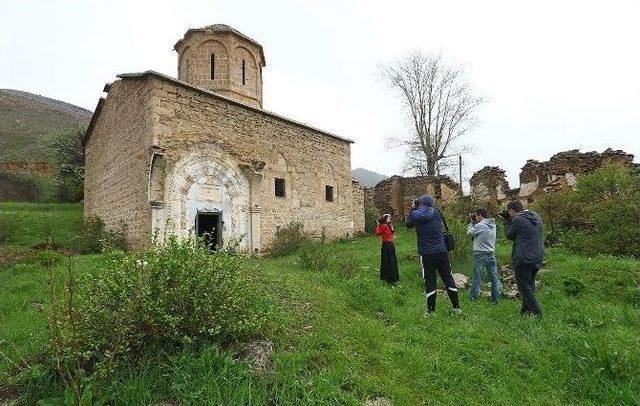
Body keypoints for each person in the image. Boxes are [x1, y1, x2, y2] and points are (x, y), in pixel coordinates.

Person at [406, 194, 461, 316]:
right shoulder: (437, 212)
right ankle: (456, 308)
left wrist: (413, 208)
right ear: (432, 203)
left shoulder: (416, 215)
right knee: (448, 278)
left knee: (430, 281)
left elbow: (408, 224)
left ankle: (431, 311)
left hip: (426, 253)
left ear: (421, 203)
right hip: (442, 251)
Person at [500, 200, 544, 317]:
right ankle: (525, 312)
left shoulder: (517, 219)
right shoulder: (536, 216)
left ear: (512, 210)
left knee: (524, 288)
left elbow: (509, 235)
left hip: (523, 258)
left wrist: (505, 221)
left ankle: (537, 314)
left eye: (509, 212)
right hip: (537, 256)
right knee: (529, 285)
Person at [467, 208, 500, 303]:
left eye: (476, 216)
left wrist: (471, 223)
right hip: (490, 253)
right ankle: (495, 299)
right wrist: (475, 222)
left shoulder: (480, 225)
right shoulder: (493, 225)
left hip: (479, 254)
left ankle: (473, 298)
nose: (475, 217)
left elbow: (470, 233)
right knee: (494, 278)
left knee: (477, 277)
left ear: (480, 215)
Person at [375, 214, 400, 284]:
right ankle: (390, 277)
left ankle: (389, 278)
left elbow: (377, 233)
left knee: (387, 261)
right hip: (390, 245)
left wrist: (378, 225)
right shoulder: (387, 225)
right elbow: (391, 232)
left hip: (387, 245)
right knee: (390, 261)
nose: (390, 219)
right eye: (389, 218)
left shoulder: (384, 226)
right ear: (386, 219)